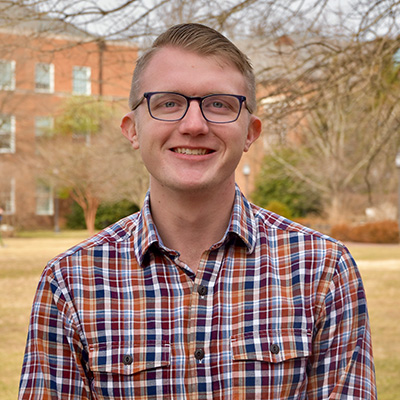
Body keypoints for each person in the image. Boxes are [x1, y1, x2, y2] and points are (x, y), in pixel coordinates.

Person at [19, 23, 376, 399]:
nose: (194, 125)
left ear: (251, 132)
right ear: (133, 130)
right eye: (168, 103)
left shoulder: (323, 271)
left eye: (219, 105)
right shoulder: (71, 284)